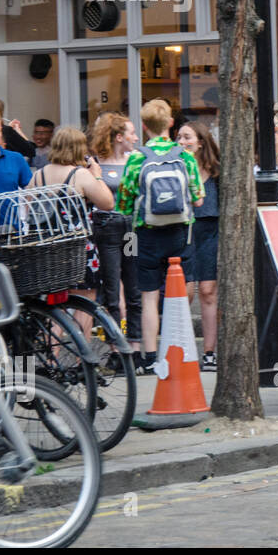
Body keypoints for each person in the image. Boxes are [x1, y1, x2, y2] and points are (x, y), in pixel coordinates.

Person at [116, 99, 205, 375]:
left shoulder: (137, 158)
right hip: (180, 233)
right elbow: (199, 199)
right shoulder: (185, 157)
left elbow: (124, 203)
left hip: (148, 233)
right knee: (179, 293)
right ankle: (180, 350)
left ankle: (151, 356)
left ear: (144, 126)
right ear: (170, 123)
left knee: (149, 297)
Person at [28, 127, 115, 338]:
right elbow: (108, 203)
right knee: (86, 300)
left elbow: (27, 206)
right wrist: (98, 176)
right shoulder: (81, 175)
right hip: (78, 249)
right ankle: (82, 362)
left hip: (48, 250)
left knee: (53, 306)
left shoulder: (38, 175)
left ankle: (51, 359)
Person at [89, 112, 143, 356]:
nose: (136, 137)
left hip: (130, 229)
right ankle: (116, 348)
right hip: (106, 228)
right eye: (132, 133)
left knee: (133, 286)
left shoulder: (136, 160)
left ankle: (135, 343)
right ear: (119, 137)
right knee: (112, 288)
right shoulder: (95, 162)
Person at [177, 119, 221, 372]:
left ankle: (210, 352)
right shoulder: (175, 167)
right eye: (179, 138)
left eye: (187, 137)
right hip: (183, 230)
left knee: (207, 290)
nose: (182, 142)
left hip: (209, 230)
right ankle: (183, 350)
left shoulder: (216, 170)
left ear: (201, 142)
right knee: (185, 291)